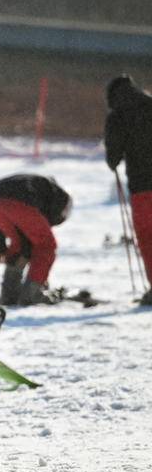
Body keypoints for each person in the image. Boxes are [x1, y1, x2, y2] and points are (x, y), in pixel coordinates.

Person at [0, 174, 72, 305]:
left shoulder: (41, 188)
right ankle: (32, 293)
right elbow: (35, 239)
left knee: (19, 244)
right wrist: (39, 274)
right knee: (47, 245)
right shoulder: (60, 198)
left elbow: (4, 226)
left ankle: (9, 294)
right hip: (22, 201)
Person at [105, 74, 152, 305]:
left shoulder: (118, 115)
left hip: (142, 187)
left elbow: (113, 156)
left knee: (147, 238)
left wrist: (113, 161)